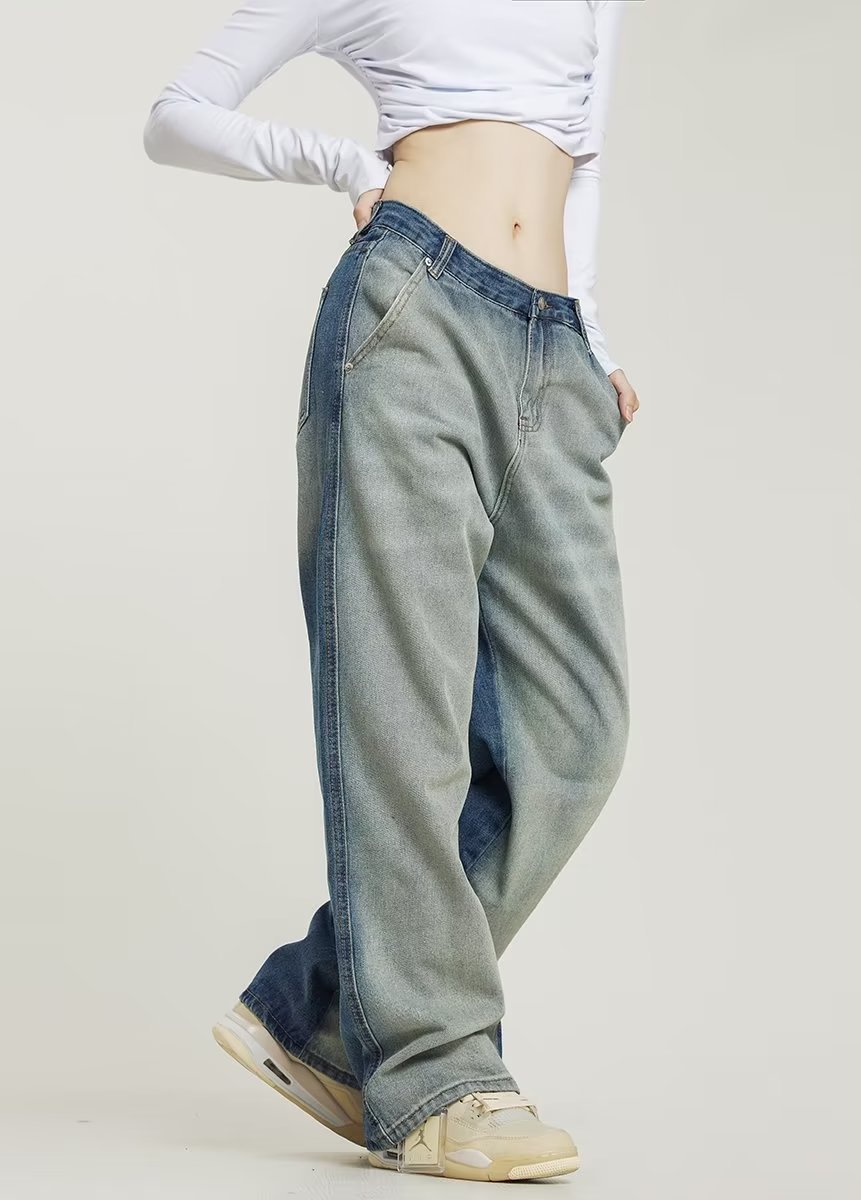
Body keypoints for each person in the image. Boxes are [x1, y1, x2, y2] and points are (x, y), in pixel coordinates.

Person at [143, 0, 640, 1182]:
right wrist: (348, 166)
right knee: (405, 722)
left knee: (578, 734)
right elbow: (176, 117)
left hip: (552, 345)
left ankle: (323, 1017)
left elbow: (583, 157)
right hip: (412, 312)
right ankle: (434, 1077)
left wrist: (591, 338)